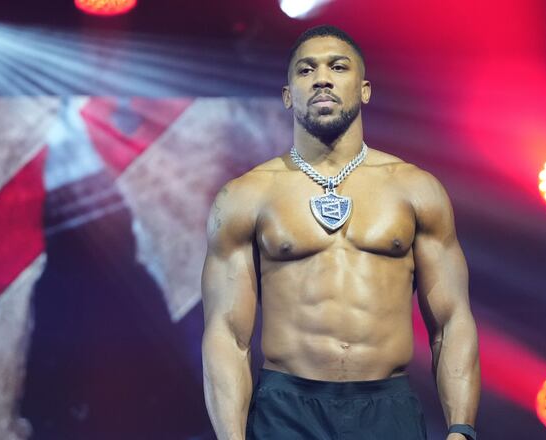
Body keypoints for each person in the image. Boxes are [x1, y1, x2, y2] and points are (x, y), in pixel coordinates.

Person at [201, 24, 480, 440]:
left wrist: (461, 430)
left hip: (387, 410)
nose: (322, 79)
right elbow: (227, 334)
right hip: (286, 412)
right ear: (287, 95)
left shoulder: (414, 189)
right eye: (306, 70)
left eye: (338, 67)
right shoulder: (246, 196)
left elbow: (451, 320)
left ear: (364, 90)